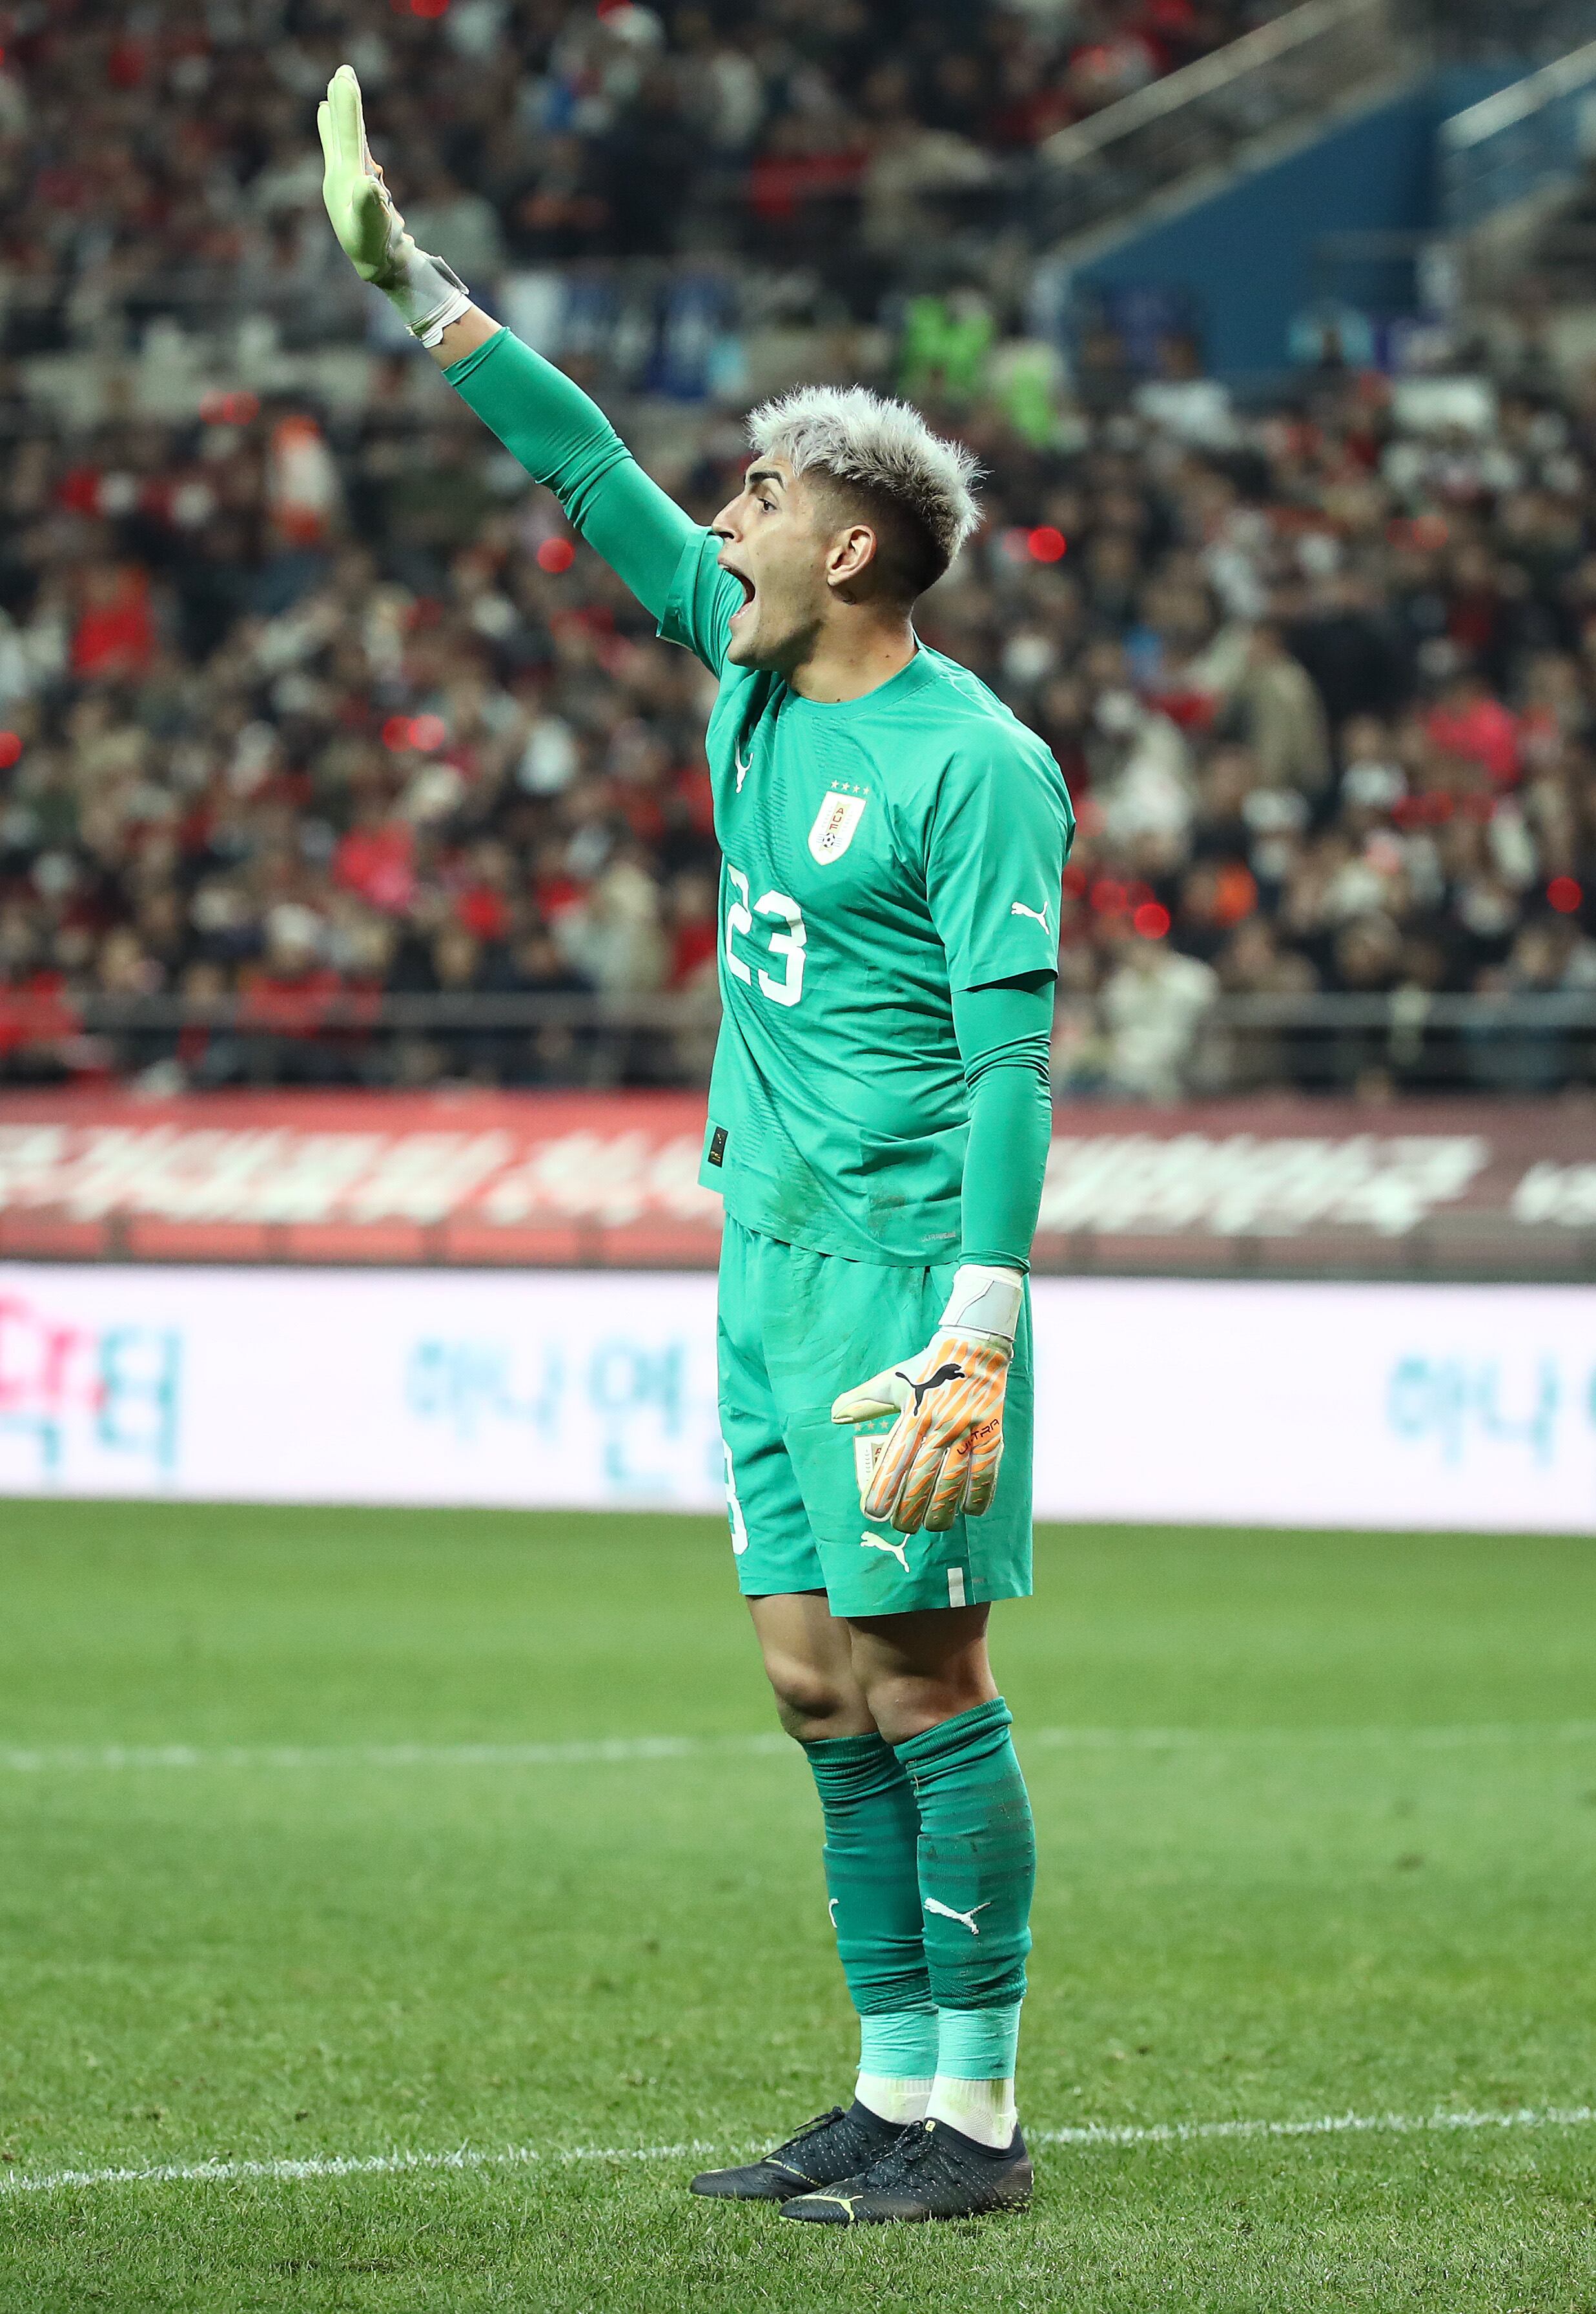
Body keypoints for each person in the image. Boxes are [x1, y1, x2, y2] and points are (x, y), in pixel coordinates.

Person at [320, 66, 1073, 2227]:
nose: (714, 523)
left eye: (752, 499)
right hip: (761, 1240)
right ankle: (884, 2083)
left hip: (907, 1271)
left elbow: (1017, 1072)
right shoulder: (748, 678)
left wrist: (984, 1329)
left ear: (850, 547)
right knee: (810, 1682)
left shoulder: (977, 767)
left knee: (928, 1673)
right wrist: (422, 292)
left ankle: (981, 2125)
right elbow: (579, 467)